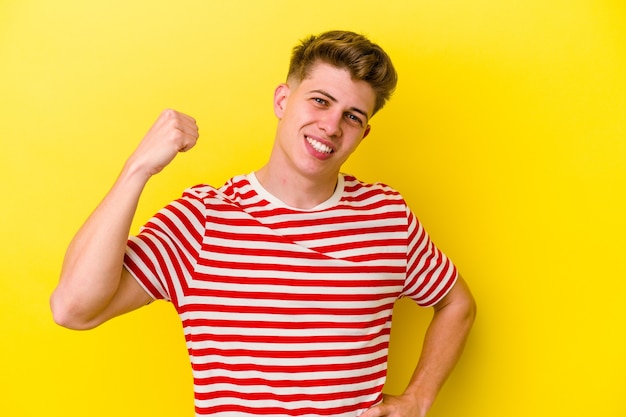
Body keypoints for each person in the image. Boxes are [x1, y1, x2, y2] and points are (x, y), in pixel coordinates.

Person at [51, 30, 476, 417]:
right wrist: (137, 168)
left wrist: (419, 398)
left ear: (363, 134)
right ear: (281, 100)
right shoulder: (203, 220)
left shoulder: (387, 218)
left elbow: (457, 303)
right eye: (320, 100)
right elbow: (73, 309)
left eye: (352, 116)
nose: (330, 126)